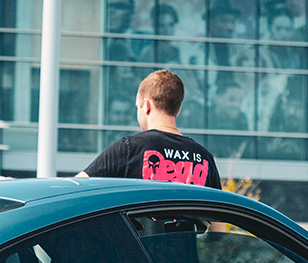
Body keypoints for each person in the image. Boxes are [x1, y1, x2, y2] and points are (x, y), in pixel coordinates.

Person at [79, 70, 221, 188]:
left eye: (137, 107)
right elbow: (217, 221)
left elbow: (76, 187)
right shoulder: (204, 158)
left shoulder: (128, 149)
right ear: (178, 110)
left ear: (146, 105)